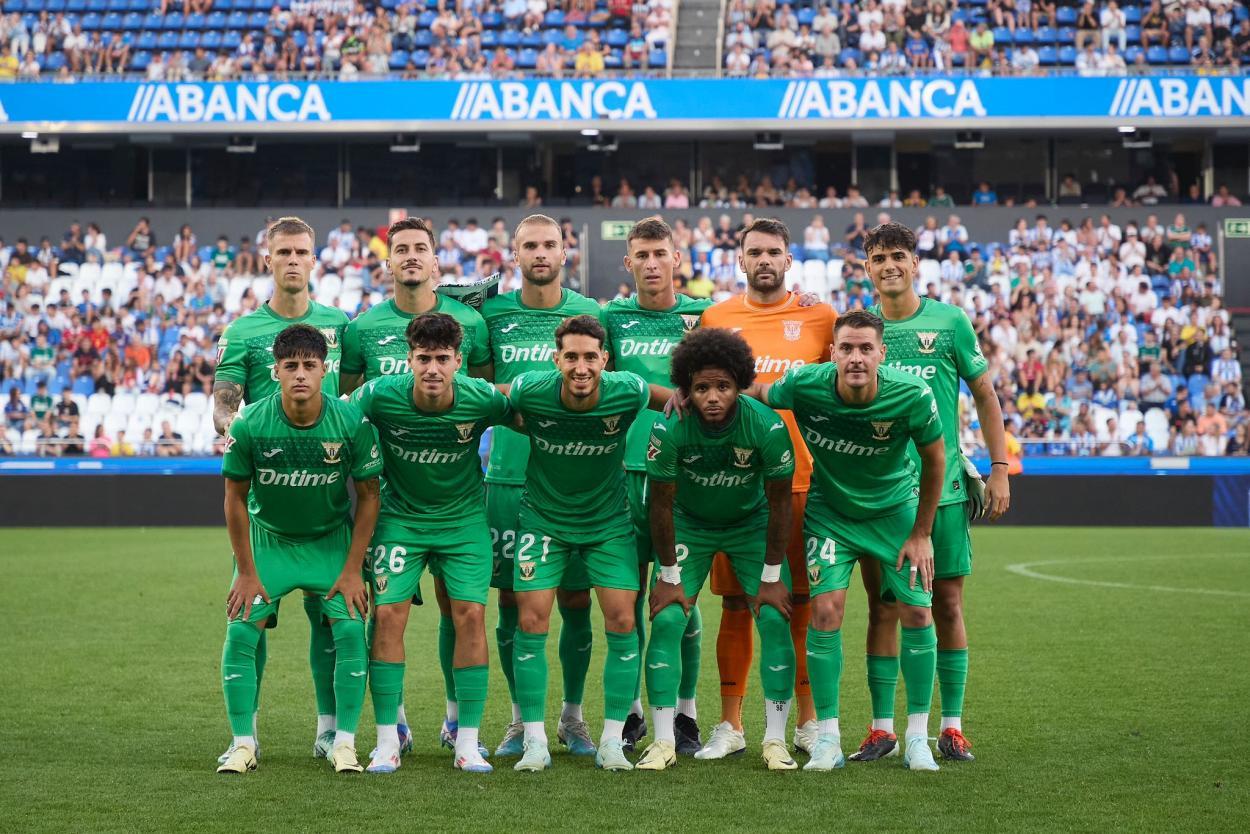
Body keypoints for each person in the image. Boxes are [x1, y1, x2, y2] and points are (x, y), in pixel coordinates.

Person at [739, 309, 946, 772]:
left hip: (894, 513)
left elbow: (936, 460)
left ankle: (916, 736)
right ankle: (828, 737)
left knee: (916, 610)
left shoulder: (911, 394)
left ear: (881, 354)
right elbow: (758, 391)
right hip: (831, 514)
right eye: (847, 348)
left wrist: (922, 534)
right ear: (832, 352)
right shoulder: (805, 385)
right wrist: (698, 392)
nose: (856, 357)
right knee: (827, 610)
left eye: (865, 348)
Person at [858, 222, 1011, 762]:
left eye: (898, 255)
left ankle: (952, 725)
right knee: (883, 608)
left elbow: (986, 395)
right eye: (878, 257)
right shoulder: (860, 330)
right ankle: (881, 729)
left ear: (915, 262)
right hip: (878, 497)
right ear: (867, 267)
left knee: (946, 604)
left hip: (941, 494)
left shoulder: (949, 322)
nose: (889, 265)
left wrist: (999, 468)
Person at [339, 216, 492, 754]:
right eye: (399, 249)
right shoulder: (361, 331)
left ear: (435, 260)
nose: (409, 256)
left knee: (465, 610)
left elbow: (510, 402)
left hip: (463, 507)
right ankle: (392, 729)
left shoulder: (471, 324)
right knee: (386, 612)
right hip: (395, 506)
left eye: (419, 249)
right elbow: (341, 411)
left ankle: (460, 727)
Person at [211, 217, 351, 765]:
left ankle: (327, 729)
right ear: (266, 259)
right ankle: (245, 736)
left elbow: (355, 403)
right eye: (283, 252)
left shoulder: (342, 325)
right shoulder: (244, 331)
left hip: (329, 500)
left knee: (329, 617)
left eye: (302, 251)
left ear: (314, 259)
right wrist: (229, 431)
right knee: (253, 613)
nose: (293, 260)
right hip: (266, 499)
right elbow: (225, 400)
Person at [504, 314, 670, 772]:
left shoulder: (627, 389)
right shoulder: (530, 390)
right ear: (556, 359)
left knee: (622, 621)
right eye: (571, 357)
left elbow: (667, 398)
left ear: (605, 361)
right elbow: (491, 402)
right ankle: (535, 741)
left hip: (608, 523)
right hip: (543, 521)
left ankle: (613, 740)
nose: (581, 367)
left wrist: (692, 403)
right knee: (532, 620)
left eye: (590, 357)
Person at [350, 313, 515, 774]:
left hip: (463, 523)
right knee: (386, 615)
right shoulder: (380, 394)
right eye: (423, 359)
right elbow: (336, 419)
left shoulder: (480, 397)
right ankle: (387, 740)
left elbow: (530, 414)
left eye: (443, 359)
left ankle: (466, 741)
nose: (433, 370)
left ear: (459, 361)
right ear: (409, 359)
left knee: (471, 615)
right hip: (400, 521)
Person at [216, 324, 383, 775]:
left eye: (310, 366)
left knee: (349, 629)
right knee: (241, 629)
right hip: (268, 540)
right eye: (291, 366)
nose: (301, 375)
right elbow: (234, 498)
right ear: (276, 372)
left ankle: (340, 739)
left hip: (329, 540)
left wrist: (352, 571)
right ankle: (243, 743)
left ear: (325, 371)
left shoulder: (350, 422)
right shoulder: (250, 421)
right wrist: (247, 572)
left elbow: (369, 496)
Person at [697, 218, 836, 759]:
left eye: (773, 252)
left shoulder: (820, 317)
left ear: (788, 260)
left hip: (799, 480)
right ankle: (730, 725)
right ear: (740, 260)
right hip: (734, 485)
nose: (764, 260)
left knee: (796, 602)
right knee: (736, 603)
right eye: (754, 252)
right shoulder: (717, 317)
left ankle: (805, 721)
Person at [636, 328, 798, 772]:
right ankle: (664, 741)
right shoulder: (669, 425)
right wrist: (669, 578)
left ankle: (775, 739)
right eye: (701, 387)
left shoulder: (766, 424)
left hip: (751, 525)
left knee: (774, 616)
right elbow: (662, 504)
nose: (711, 396)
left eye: (722, 386)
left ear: (740, 384)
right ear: (686, 387)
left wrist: (769, 578)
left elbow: (781, 502)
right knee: (668, 617)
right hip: (690, 524)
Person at [479, 215, 602, 758]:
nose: (541, 253)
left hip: (578, 481)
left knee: (577, 601)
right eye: (530, 245)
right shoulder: (492, 314)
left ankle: (573, 718)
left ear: (565, 250)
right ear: (515, 254)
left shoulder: (592, 314)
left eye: (550, 244)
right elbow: (474, 388)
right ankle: (518, 719)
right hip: (508, 477)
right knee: (511, 601)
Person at [594, 218, 713, 753]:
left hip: (684, 477)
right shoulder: (610, 318)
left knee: (679, 600)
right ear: (628, 263)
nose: (650, 264)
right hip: (620, 476)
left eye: (659, 253)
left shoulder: (702, 317)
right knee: (627, 597)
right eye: (640, 255)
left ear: (677, 258)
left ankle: (685, 712)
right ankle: (632, 713)